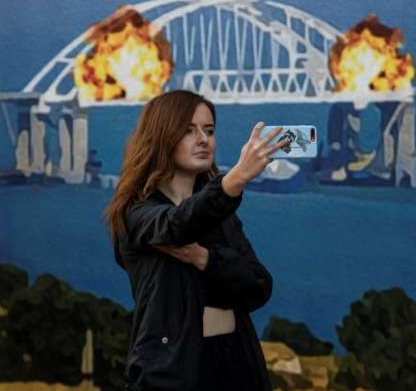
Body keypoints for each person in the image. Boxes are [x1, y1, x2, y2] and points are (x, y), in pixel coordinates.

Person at [106, 89, 286, 391]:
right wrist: (234, 180)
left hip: (237, 368)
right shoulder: (137, 212)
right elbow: (177, 224)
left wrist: (205, 259)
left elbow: (258, 286)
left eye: (209, 130)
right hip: (170, 373)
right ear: (162, 137)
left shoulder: (222, 214)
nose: (203, 139)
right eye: (188, 131)